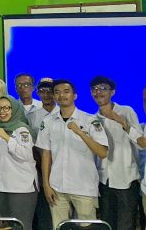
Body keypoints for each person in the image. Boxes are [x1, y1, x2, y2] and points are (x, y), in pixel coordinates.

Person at [36, 79, 108, 226]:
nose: (61, 95)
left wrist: (80, 133)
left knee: (87, 227)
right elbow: (46, 154)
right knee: (59, 226)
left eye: (66, 91)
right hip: (57, 186)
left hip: (84, 186)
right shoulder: (48, 121)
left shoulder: (89, 120)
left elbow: (102, 152)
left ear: (74, 95)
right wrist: (46, 185)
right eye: (57, 92)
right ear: (54, 96)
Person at [0, 96, 37, 230]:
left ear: (14, 110)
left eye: (6, 108)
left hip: (21, 187)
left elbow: (26, 154)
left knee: (21, 226)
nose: (2, 111)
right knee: (6, 226)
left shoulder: (22, 129)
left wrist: (7, 137)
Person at [91, 76, 142, 230]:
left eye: (103, 88)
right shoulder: (93, 119)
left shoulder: (126, 111)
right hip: (104, 181)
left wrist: (122, 122)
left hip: (126, 180)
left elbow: (142, 144)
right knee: (107, 225)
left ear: (112, 92)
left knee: (126, 225)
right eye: (94, 89)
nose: (98, 92)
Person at [30, 78, 56, 230]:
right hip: (40, 168)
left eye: (49, 91)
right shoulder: (33, 116)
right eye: (42, 91)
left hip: (60, 168)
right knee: (43, 210)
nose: (46, 95)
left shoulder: (62, 113)